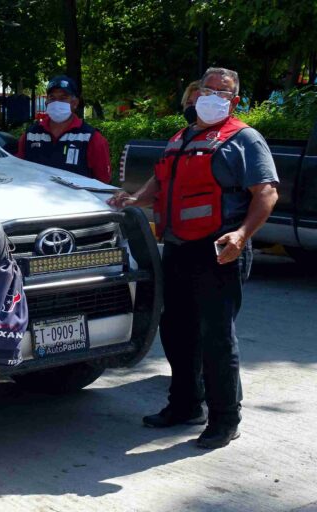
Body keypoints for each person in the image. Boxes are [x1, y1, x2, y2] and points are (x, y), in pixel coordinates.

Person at [108, 67, 279, 449]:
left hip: (220, 249)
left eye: (223, 91)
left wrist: (241, 234)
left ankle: (224, 418)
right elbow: (161, 180)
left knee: (216, 336)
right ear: (196, 92)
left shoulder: (245, 139)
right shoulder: (181, 137)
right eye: (207, 88)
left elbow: (266, 193)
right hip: (179, 246)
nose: (213, 95)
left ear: (234, 100)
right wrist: (136, 198)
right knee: (177, 329)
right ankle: (185, 405)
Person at [16, 75, 111, 183]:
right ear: (47, 103)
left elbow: (103, 182)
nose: (57, 103)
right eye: (52, 98)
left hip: (76, 199)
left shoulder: (92, 138)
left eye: (63, 98)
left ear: (75, 103)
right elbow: (19, 170)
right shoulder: (30, 135)